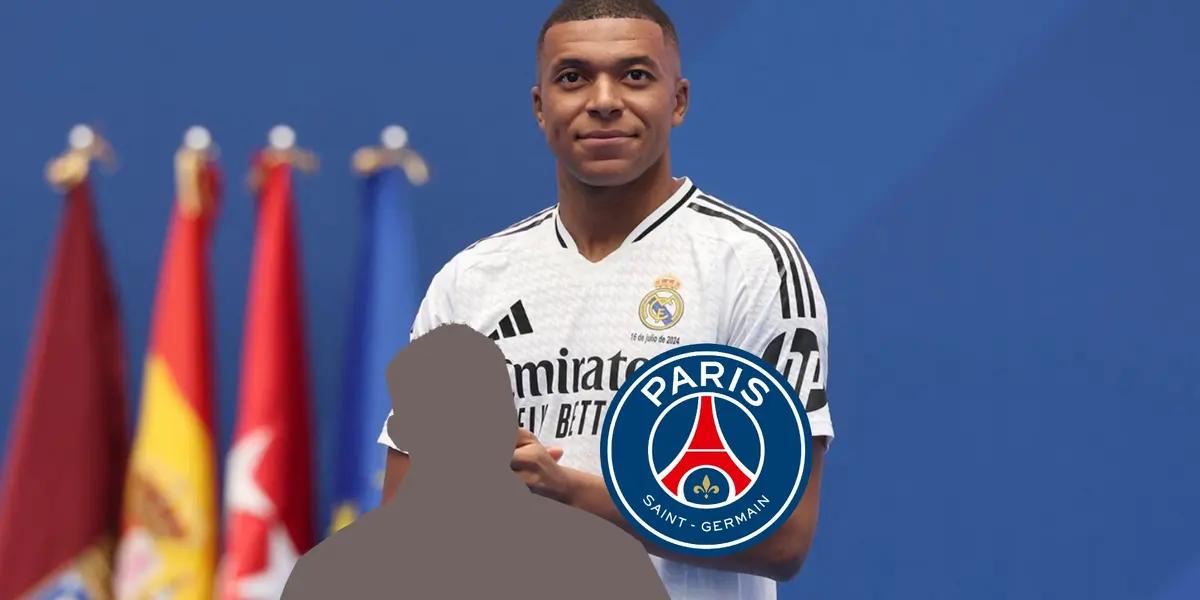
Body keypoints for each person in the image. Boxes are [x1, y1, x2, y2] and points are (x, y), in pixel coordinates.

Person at [378, 1, 835, 598]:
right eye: (572, 77)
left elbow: (784, 537)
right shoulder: (471, 280)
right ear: (541, 107)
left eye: (635, 75)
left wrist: (567, 492)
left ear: (678, 100)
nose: (603, 99)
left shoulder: (750, 264)